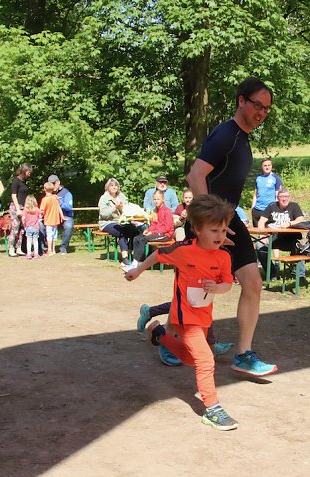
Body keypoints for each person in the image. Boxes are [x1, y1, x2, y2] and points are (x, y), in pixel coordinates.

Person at [185, 77, 277, 377]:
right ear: (241, 101)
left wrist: (224, 222)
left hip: (228, 218)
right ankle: (169, 338)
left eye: (266, 108)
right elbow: (195, 177)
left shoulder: (243, 137)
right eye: (256, 105)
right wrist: (212, 226)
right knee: (199, 291)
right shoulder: (226, 134)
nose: (261, 112)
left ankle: (243, 354)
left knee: (252, 283)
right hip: (209, 221)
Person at [125, 194, 238, 430]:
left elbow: (227, 283)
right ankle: (212, 409)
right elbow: (159, 254)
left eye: (223, 230)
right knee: (206, 359)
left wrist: (218, 288)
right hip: (185, 318)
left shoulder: (224, 256)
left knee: (189, 358)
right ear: (197, 229)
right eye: (214, 230)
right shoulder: (184, 250)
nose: (220, 236)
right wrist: (138, 270)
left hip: (204, 317)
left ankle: (159, 335)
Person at [125, 189, 174, 270]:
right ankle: (135, 260)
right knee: (137, 238)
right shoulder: (154, 211)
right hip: (156, 232)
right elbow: (153, 224)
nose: (156, 201)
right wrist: (148, 230)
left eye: (158, 199)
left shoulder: (167, 211)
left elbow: (167, 228)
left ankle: (135, 264)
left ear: (163, 199)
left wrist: (152, 232)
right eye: (154, 199)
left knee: (143, 239)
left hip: (166, 235)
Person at [98, 177, 139, 266]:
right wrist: (114, 208)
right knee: (121, 232)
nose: (114, 187)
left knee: (136, 231)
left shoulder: (122, 196)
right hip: (107, 223)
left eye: (116, 185)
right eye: (111, 185)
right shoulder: (104, 198)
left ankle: (129, 253)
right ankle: (124, 258)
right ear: (107, 187)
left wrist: (122, 209)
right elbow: (103, 214)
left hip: (122, 221)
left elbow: (128, 210)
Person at [256, 189, 306, 254]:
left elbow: (301, 219)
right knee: (259, 245)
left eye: (286, 196)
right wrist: (262, 235)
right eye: (281, 197)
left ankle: (297, 264)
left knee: (298, 248)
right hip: (273, 237)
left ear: (289, 197)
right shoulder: (272, 206)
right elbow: (261, 221)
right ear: (277, 198)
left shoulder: (294, 206)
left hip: (289, 237)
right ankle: (270, 265)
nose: (284, 199)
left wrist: (289, 223)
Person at [8, 163, 33, 257]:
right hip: (16, 207)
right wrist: (18, 209)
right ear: (24, 171)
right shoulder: (16, 181)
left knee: (22, 229)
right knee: (15, 228)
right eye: (29, 172)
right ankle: (11, 248)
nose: (29, 174)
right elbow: (14, 195)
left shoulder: (24, 182)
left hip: (23, 207)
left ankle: (18, 248)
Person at [251, 158, 283, 225]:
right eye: (265, 165)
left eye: (269, 165)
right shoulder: (258, 178)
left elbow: (279, 196)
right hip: (257, 210)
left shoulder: (276, 178)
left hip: (270, 210)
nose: (267, 167)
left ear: (271, 166)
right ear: (262, 167)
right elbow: (255, 195)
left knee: (270, 233)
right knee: (259, 233)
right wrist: (253, 208)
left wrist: (278, 209)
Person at [51, 175, 74, 255]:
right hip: (52, 216)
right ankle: (44, 247)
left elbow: (69, 207)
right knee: (40, 225)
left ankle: (63, 247)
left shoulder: (67, 193)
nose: (52, 186)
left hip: (66, 216)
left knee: (69, 226)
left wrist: (59, 203)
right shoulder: (48, 193)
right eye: (50, 184)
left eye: (53, 183)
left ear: (58, 182)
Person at [40, 181, 64, 256]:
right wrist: (62, 216)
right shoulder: (55, 197)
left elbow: (42, 211)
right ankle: (53, 249)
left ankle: (49, 250)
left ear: (44, 189)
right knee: (54, 235)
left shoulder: (45, 199)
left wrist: (39, 217)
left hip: (48, 220)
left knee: (49, 235)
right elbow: (59, 207)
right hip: (56, 220)